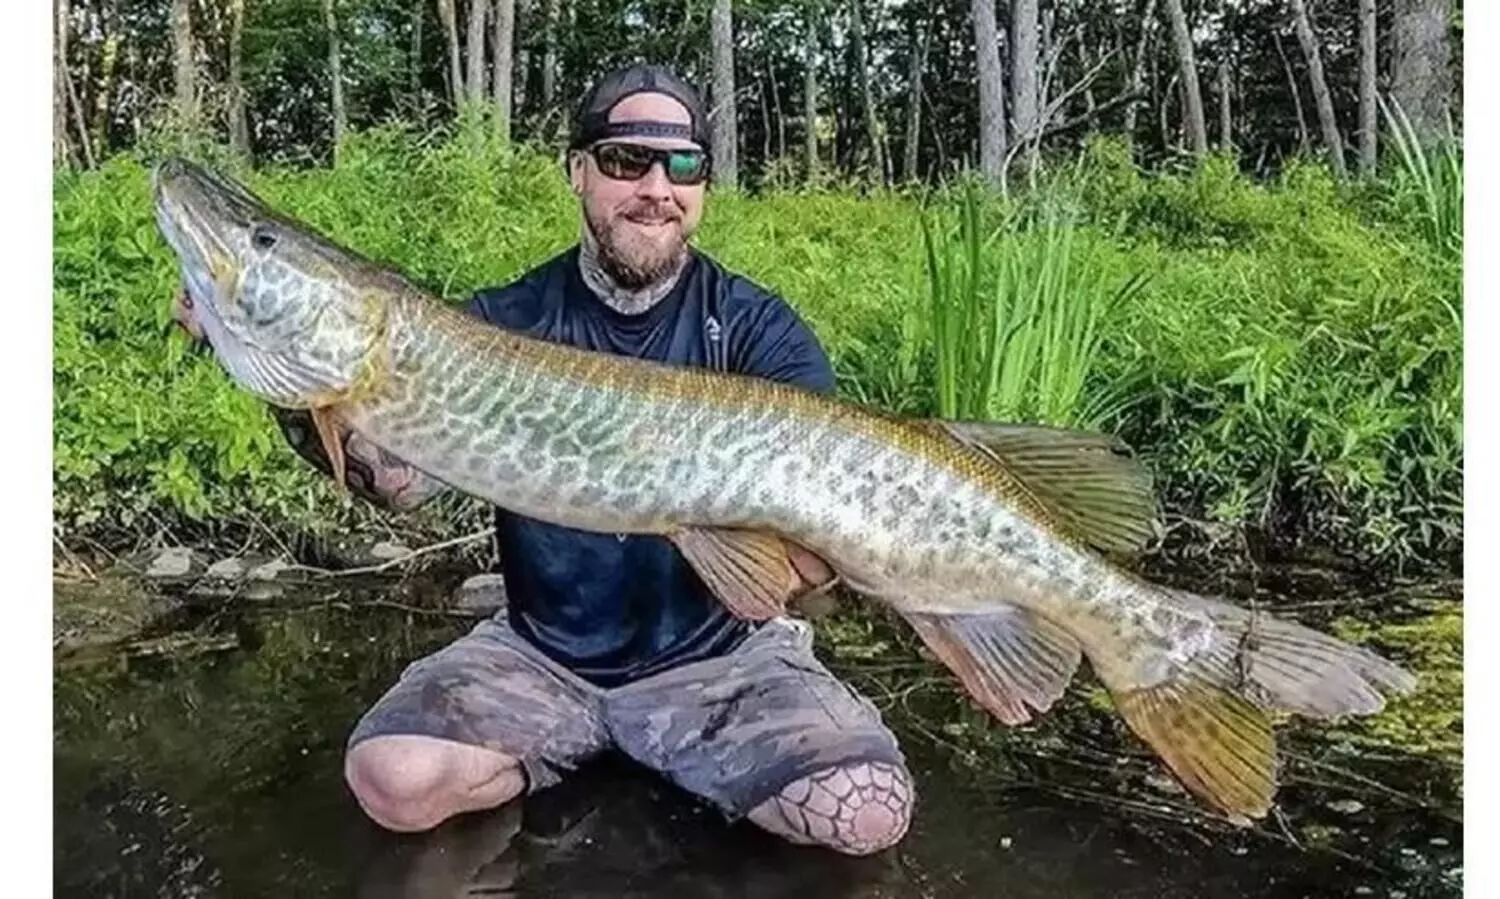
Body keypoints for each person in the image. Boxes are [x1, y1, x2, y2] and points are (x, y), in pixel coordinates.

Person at [270, 64, 914, 857]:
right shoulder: (504, 323)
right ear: (578, 172)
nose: (655, 186)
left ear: (704, 186)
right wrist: (298, 392)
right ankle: (604, 751)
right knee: (394, 779)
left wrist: (809, 565)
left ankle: (649, 750)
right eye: (623, 161)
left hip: (719, 662)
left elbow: (801, 567)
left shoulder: (758, 333)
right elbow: (398, 483)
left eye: (682, 166)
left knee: (866, 811)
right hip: (544, 656)